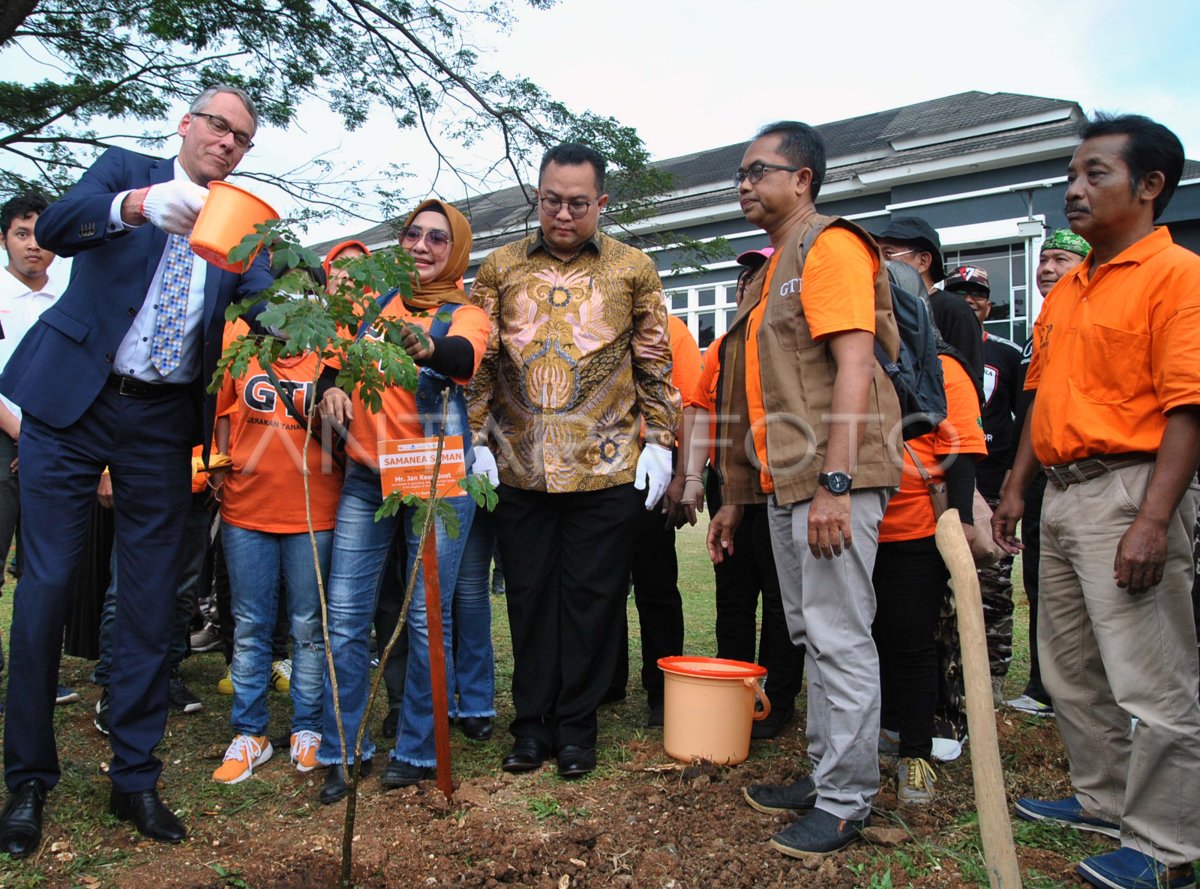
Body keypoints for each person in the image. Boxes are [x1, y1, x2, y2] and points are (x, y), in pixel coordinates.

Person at [0, 84, 273, 857]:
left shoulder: (243, 220)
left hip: (160, 418)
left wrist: (302, 306)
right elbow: (55, 226)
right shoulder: (124, 170)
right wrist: (136, 206)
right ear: (186, 125)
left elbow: (266, 297)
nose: (227, 142)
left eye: (242, 137)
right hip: (70, 403)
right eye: (217, 125)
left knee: (153, 600)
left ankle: (134, 777)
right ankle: (28, 778)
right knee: (47, 587)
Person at [994, 113, 1200, 889]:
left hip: (1133, 487)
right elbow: (1042, 401)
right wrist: (1016, 488)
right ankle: (1103, 799)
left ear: (1150, 187)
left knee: (1152, 677)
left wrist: (1153, 519)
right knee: (1072, 665)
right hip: (1062, 489)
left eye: (1095, 175)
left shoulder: (1178, 276)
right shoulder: (1070, 289)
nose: (1073, 191)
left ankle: (1163, 847)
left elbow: (1190, 406)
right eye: (1071, 176)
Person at [714, 121, 902, 856]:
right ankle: (828, 775)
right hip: (786, 480)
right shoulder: (766, 272)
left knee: (839, 636)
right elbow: (750, 393)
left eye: (759, 169)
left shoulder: (830, 246)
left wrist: (835, 483)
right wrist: (738, 495)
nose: (744, 182)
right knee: (812, 635)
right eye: (740, 171)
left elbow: (854, 368)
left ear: (804, 179)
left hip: (833, 479)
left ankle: (847, 800)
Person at [467, 143, 679, 780]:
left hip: (606, 464)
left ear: (601, 203)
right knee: (528, 599)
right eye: (552, 201)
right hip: (518, 465)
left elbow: (654, 363)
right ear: (538, 196)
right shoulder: (499, 268)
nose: (563, 214)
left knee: (591, 601)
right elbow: (482, 363)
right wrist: (475, 437)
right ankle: (530, 728)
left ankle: (577, 731)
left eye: (578, 204)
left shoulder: (633, 269)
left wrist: (662, 444)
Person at [315, 199, 489, 802]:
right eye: (412, 234)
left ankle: (416, 748)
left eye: (437, 239)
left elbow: (461, 356)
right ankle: (343, 748)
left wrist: (424, 346)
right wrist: (331, 392)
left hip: (433, 479)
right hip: (366, 477)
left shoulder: (465, 313)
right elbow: (331, 368)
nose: (421, 245)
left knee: (425, 619)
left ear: (456, 250)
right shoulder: (372, 306)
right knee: (344, 616)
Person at [210, 301, 343, 784]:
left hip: (314, 510)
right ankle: (251, 733)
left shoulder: (333, 355)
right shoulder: (243, 351)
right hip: (247, 509)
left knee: (308, 626)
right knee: (250, 624)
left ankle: (307, 727)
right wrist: (220, 467)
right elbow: (220, 412)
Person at [683, 247, 806, 740]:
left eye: (758, 276)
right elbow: (697, 408)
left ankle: (776, 701)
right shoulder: (720, 348)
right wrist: (694, 478)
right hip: (730, 484)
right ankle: (732, 689)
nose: (745, 284)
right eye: (743, 277)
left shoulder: (791, 342)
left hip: (782, 483)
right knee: (734, 594)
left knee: (781, 599)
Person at [872, 346, 986, 805]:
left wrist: (957, 526)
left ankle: (915, 755)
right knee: (868, 639)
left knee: (911, 640)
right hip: (852, 529)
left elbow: (960, 451)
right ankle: (885, 734)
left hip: (913, 527)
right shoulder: (847, 353)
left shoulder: (941, 367)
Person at [1004, 228, 1089, 717]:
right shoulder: (1040, 331)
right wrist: (1017, 486)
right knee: (1043, 587)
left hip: (1104, 473)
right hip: (1045, 475)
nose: (1047, 269)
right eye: (1044, 259)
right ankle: (1044, 685)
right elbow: (1031, 411)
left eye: (1061, 259)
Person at [610, 313, 702, 727]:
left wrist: (682, 477)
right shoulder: (588, 320)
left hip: (653, 469)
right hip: (595, 473)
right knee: (598, 583)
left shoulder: (671, 329)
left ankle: (663, 690)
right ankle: (604, 682)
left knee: (656, 583)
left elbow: (688, 404)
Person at [942, 265, 1024, 704]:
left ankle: (989, 683)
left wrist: (1012, 485)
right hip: (950, 483)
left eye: (977, 294)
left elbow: (1021, 422)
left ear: (989, 304)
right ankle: (950, 685)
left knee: (991, 588)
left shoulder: (1007, 354)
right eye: (959, 292)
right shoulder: (931, 351)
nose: (969, 299)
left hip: (991, 485)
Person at [0, 193, 62, 696]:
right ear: (4, 240)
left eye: (42, 235)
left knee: (42, 570)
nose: (33, 246)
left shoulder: (67, 295)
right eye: (22, 234)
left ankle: (37, 676)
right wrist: (22, 434)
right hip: (8, 441)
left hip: (56, 448)